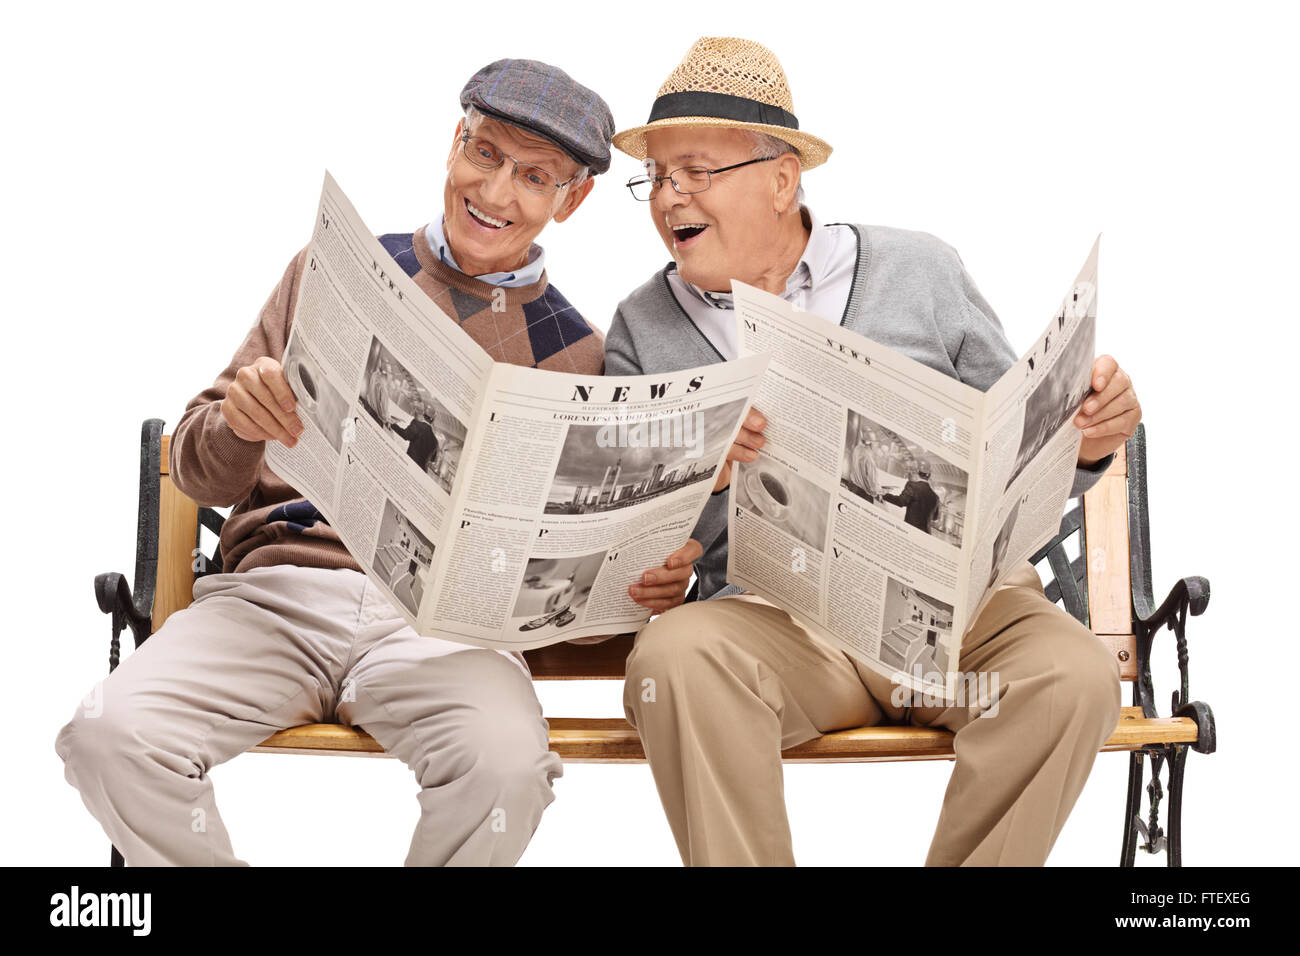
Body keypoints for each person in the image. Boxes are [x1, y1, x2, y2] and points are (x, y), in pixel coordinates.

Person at [56, 58, 615, 866]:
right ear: (453, 143)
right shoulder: (335, 268)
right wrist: (239, 427)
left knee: (505, 769)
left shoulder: (580, 354)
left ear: (574, 199)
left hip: (440, 630)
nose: (496, 194)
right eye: (485, 154)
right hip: (276, 598)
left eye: (535, 177)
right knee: (108, 734)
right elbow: (197, 464)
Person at [611, 37, 1141, 865]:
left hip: (960, 633)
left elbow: (1020, 440)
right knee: (675, 659)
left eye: (695, 171)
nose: (669, 196)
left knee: (1072, 678)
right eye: (658, 176)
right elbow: (632, 533)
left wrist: (1087, 443)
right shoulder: (642, 328)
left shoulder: (919, 271)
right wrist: (695, 477)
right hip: (786, 633)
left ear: (783, 180)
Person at [883, 464, 940, 534]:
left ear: (918, 473)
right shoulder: (936, 497)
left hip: (910, 530)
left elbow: (901, 502)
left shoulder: (912, 485)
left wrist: (884, 495)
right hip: (926, 533)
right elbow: (935, 517)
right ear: (929, 476)